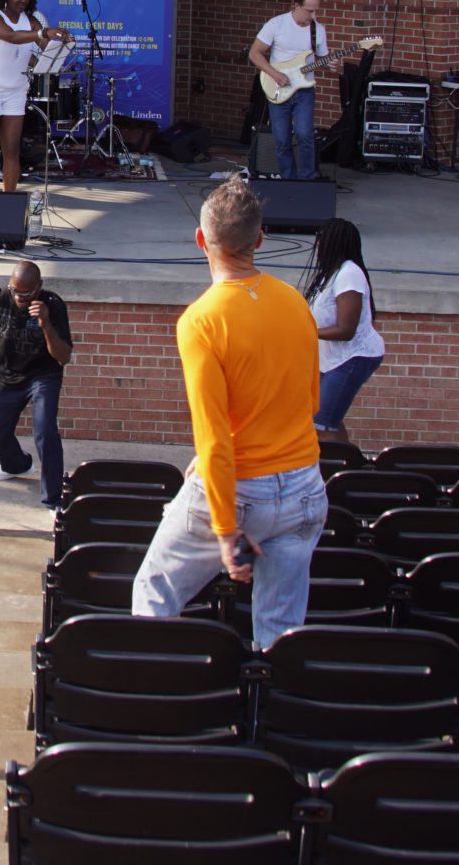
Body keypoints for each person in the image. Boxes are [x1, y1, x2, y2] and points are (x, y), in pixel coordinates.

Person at [129, 179, 327, 651]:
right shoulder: (295, 302)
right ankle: (271, 696)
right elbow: (311, 402)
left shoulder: (201, 321)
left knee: (153, 593)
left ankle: (157, 689)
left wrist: (224, 529)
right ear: (260, 239)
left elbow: (214, 438)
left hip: (239, 490)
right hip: (304, 487)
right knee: (280, 633)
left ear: (201, 240)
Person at [0, 262, 72, 512]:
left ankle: (54, 500)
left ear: (39, 287)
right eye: (15, 290)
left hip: (43, 376)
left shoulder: (53, 305)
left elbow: (63, 357)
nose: (19, 298)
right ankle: (17, 465)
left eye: (26, 294)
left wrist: (46, 323)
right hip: (9, 373)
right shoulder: (2, 298)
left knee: (45, 433)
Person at [0, 0, 70, 193]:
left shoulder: (31, 20)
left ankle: (9, 199)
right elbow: (11, 36)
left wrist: (61, 43)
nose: (23, 0)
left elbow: (44, 46)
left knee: (12, 149)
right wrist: (42, 32)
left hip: (16, 89)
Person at [302, 219, 386, 443]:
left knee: (322, 425)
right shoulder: (330, 273)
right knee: (330, 419)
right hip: (332, 360)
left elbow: (346, 330)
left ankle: (334, 464)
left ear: (333, 243)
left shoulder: (350, 274)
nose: (317, 246)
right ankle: (349, 462)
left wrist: (306, 332)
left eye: (321, 241)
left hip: (353, 357)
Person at [249, 0, 331, 181]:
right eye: (309, 10)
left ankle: (307, 180)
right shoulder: (276, 24)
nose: (313, 15)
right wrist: (275, 74)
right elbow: (254, 53)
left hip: (304, 90)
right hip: (279, 87)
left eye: (316, 10)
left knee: (304, 134)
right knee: (281, 139)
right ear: (296, 6)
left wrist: (330, 63)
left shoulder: (318, 30)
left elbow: (322, 59)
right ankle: (288, 180)